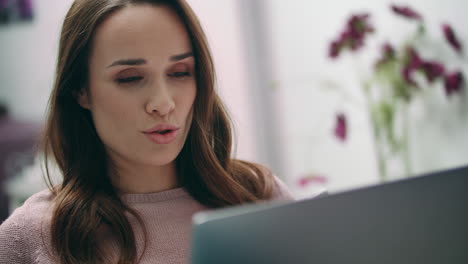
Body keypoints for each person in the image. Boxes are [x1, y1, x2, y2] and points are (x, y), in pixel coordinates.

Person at [0, 0, 293, 263]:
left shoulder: (259, 196)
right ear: (81, 90)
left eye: (179, 72)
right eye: (130, 78)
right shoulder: (33, 236)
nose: (163, 104)